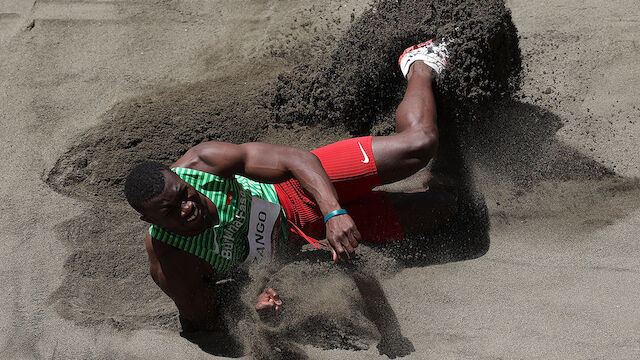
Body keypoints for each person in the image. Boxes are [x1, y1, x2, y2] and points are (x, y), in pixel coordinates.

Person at [124, 39, 457, 332]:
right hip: (298, 243)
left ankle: (419, 63)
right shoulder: (170, 259)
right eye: (171, 211)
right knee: (445, 206)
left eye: (184, 194)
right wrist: (253, 309)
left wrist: (333, 212)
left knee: (419, 144)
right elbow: (205, 320)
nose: (188, 208)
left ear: (183, 179)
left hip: (295, 190)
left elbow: (296, 160)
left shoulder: (204, 162)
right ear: (150, 221)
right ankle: (453, 148)